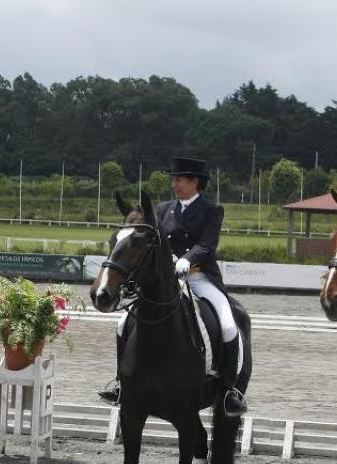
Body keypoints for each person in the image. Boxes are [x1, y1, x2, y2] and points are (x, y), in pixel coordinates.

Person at [99, 156, 247, 417]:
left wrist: (187, 260)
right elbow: (152, 242)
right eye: (173, 179)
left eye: (179, 179)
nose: (174, 184)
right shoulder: (163, 209)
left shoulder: (212, 210)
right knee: (123, 322)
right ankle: (122, 382)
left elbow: (207, 244)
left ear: (194, 182)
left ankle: (228, 391)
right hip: (166, 278)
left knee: (227, 323)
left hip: (200, 277)